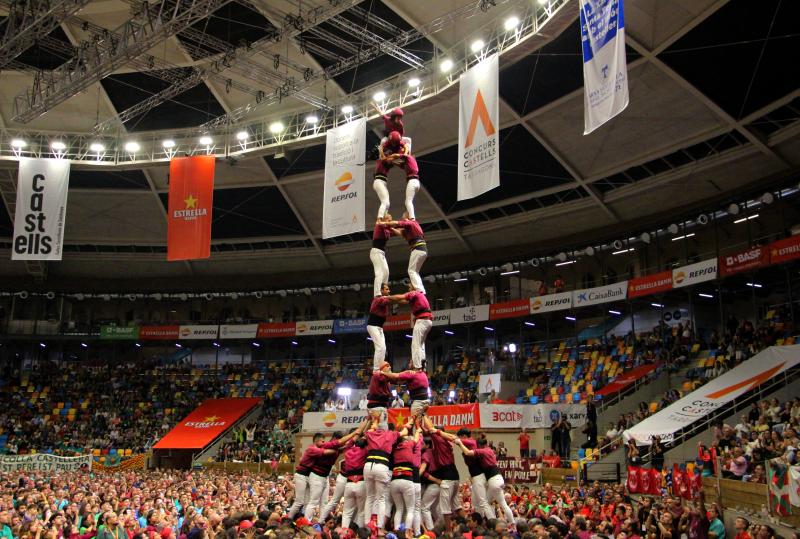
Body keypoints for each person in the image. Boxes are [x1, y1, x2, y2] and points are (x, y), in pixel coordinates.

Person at [363, 415, 410, 533]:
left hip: (368, 465)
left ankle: (366, 527)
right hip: (382, 466)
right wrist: (409, 422)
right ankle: (379, 528)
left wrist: (374, 419)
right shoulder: (391, 434)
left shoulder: (371, 433)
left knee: (370, 497)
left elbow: (369, 429)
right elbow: (404, 431)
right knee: (382, 499)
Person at [454, 437, 515, 522]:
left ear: (479, 445)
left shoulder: (482, 451)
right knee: (503, 504)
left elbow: (467, 452)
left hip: (493, 481)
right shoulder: (490, 450)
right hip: (499, 478)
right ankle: (513, 524)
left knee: (484, 502)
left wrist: (460, 443)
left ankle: (492, 522)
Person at [287, 434, 343, 519]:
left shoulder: (318, 448)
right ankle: (288, 518)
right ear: (317, 441)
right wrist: (337, 449)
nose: (324, 443)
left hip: (309, 476)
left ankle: (305, 520)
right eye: (322, 441)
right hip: (301, 475)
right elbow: (327, 452)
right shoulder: (312, 448)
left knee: (307, 501)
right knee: (299, 501)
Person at [422, 416, 461, 529]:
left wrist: (424, 414)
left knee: (445, 509)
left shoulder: (439, 439)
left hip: (447, 477)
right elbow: (428, 432)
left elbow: (430, 429)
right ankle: (465, 526)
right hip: (454, 474)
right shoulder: (448, 441)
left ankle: (448, 532)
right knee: (456, 506)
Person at [373, 132, 420, 220]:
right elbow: (395, 161)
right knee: (386, 202)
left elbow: (395, 157)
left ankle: (411, 218)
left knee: (399, 202)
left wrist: (388, 156)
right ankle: (382, 218)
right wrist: (387, 156)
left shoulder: (408, 158)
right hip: (414, 181)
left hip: (410, 181)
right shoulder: (382, 161)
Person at [387, 283, 433, 369]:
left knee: (415, 345)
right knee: (420, 345)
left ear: (414, 286)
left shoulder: (414, 292)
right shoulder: (418, 295)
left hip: (422, 321)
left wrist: (386, 297)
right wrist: (390, 299)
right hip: (427, 321)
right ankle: (423, 366)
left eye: (409, 286)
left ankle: (417, 367)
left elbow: (400, 297)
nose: (408, 288)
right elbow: (401, 301)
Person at [390, 420, 422, 535]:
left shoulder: (394, 448)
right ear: (404, 439)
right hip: (406, 480)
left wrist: (410, 422)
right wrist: (418, 429)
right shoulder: (409, 444)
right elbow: (416, 439)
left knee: (399, 509)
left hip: (394, 481)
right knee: (410, 509)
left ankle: (397, 532)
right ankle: (407, 533)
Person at [380, 216, 427, 293]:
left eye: (404, 218)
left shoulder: (411, 223)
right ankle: (421, 290)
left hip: (418, 248)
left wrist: (384, 223)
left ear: (407, 218)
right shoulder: (409, 229)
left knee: (411, 271)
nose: (403, 220)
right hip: (421, 249)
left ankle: (419, 290)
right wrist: (390, 228)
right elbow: (399, 232)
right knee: (414, 271)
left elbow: (396, 223)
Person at [456, 429, 490, 519]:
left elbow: (455, 439)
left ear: (463, 436)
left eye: (460, 437)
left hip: (479, 475)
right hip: (476, 476)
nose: (459, 438)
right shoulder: (470, 443)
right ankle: (480, 521)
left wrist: (437, 432)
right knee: (475, 502)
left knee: (483, 502)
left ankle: (492, 521)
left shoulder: (470, 442)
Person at [340, 438, 369, 530]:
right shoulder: (365, 451)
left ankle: (343, 533)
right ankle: (359, 534)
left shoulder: (347, 452)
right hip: (361, 482)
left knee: (346, 513)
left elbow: (348, 444)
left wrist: (355, 438)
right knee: (361, 512)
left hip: (349, 484)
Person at [367, 284, 392, 372]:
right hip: (373, 326)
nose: (389, 291)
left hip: (379, 327)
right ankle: (376, 369)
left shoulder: (384, 300)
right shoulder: (378, 299)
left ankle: (381, 367)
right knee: (379, 347)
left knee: (384, 348)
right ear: (381, 291)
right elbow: (389, 300)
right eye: (387, 289)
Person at [370, 216, 392, 298]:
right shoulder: (379, 225)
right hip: (376, 252)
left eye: (390, 220)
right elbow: (379, 221)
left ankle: (384, 291)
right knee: (379, 273)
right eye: (388, 220)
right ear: (384, 220)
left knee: (386, 272)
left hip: (382, 253)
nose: (390, 221)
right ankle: (377, 293)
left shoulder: (387, 229)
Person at [367, 362, 393, 429]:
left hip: (380, 406)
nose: (390, 367)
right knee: (382, 428)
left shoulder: (385, 378)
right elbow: (393, 377)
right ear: (382, 368)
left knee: (380, 428)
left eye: (389, 366)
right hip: (377, 406)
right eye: (387, 366)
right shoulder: (377, 375)